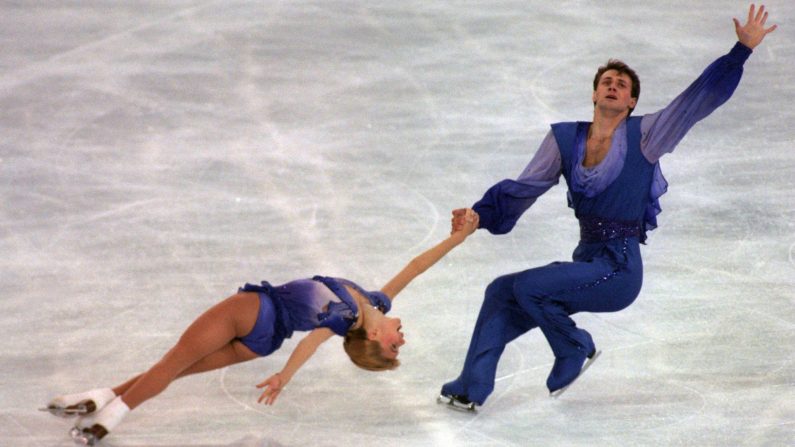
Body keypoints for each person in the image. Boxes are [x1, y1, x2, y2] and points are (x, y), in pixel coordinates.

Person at [438, 4, 777, 411]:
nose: (613, 86)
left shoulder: (647, 135)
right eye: (606, 81)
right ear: (595, 93)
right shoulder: (565, 140)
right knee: (501, 291)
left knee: (530, 289)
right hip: (587, 262)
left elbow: (696, 101)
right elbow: (523, 188)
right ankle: (469, 386)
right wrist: (479, 216)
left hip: (618, 270)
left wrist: (740, 51)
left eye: (622, 84)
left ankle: (575, 348)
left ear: (632, 100)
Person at [45, 210, 480, 445]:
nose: (401, 341)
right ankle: (100, 398)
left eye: (393, 348)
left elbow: (311, 342)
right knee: (172, 370)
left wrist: (286, 377)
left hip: (251, 314)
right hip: (262, 343)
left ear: (371, 338)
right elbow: (416, 267)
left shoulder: (344, 314)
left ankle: (103, 424)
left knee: (170, 363)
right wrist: (459, 238)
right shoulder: (375, 303)